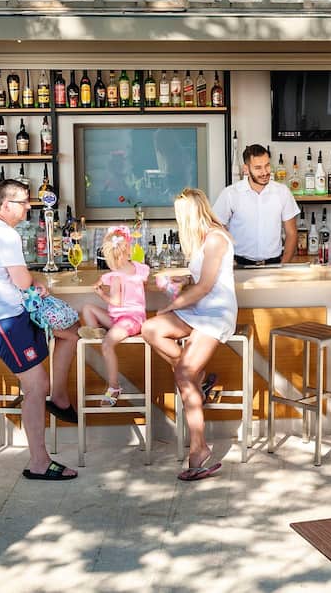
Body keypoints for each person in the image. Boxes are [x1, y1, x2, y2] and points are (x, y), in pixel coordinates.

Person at [0, 179, 79, 480]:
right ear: (5, 205)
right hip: (1, 320)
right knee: (36, 386)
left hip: (8, 315)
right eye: (24, 202)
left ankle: (60, 397)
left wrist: (31, 283)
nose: (29, 207)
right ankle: (39, 462)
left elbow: (18, 280)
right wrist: (35, 283)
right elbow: (23, 282)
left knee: (70, 331)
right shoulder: (5, 235)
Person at [142, 188, 237, 481]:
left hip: (216, 313)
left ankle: (199, 448)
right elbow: (201, 279)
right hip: (198, 310)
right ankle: (198, 377)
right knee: (150, 328)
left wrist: (172, 304)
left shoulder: (216, 238)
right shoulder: (202, 240)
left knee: (182, 374)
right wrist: (182, 278)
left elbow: (206, 287)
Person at [78, 226, 150, 406]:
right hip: (128, 319)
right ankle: (98, 332)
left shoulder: (116, 277)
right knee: (88, 308)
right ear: (128, 250)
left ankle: (114, 386)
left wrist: (101, 294)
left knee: (106, 343)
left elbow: (116, 302)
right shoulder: (140, 269)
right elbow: (144, 282)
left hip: (129, 322)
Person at [212, 144, 299, 265]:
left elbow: (292, 233)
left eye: (267, 165)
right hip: (239, 264)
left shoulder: (282, 192)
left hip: (274, 264)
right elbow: (215, 230)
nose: (265, 172)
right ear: (246, 169)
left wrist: (282, 266)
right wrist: (228, 260)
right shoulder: (230, 194)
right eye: (258, 168)